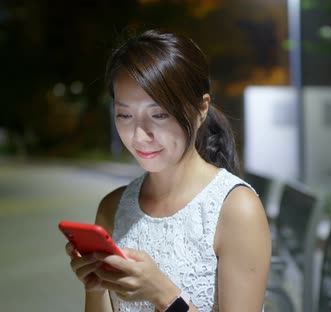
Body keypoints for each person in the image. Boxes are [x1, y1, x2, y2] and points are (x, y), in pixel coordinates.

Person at [65, 29, 271, 312]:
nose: (138, 135)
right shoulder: (112, 208)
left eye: (159, 114)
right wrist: (96, 286)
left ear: (201, 110)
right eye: (124, 115)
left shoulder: (236, 210)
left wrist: (163, 293)